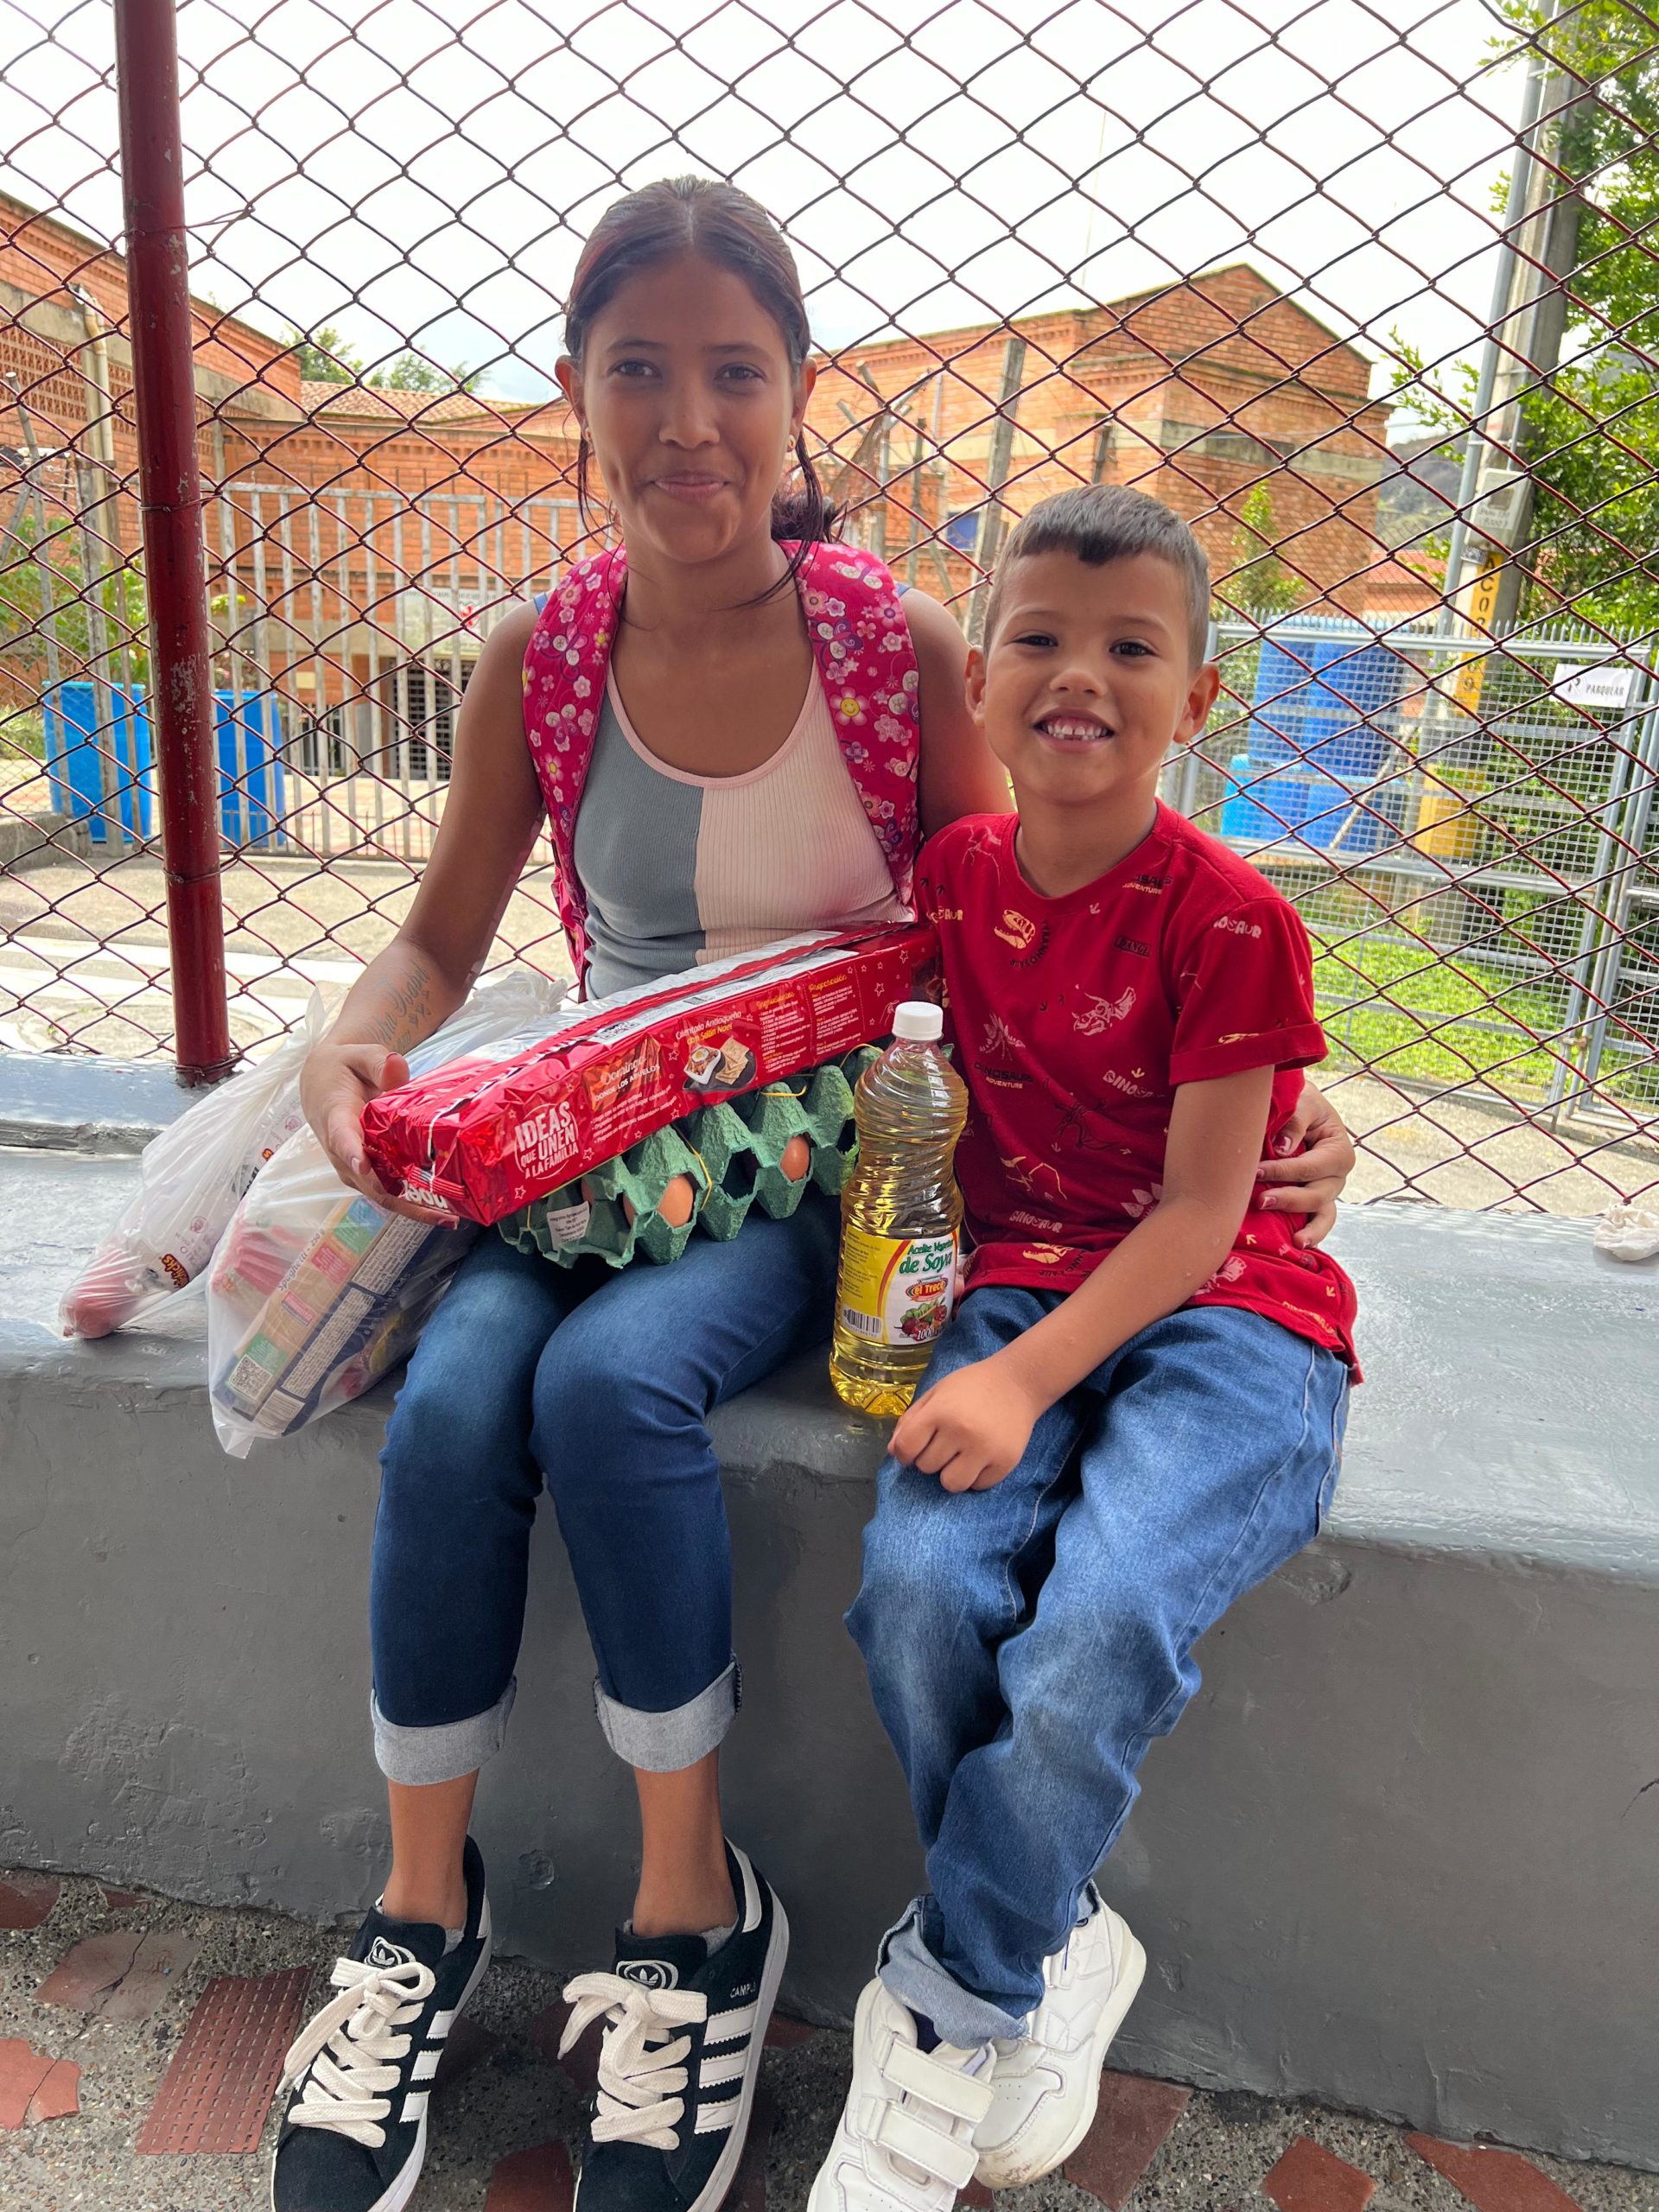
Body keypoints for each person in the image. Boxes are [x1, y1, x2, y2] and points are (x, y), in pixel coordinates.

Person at [273, 180, 1357, 2212]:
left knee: (608, 1397)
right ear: (578, 395)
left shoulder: (898, 643)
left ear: (795, 398)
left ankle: (697, 1919)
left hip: (811, 1164)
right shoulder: (542, 650)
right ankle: (421, 1913)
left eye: (735, 373)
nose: (690, 418)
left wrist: (1280, 1110)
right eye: (641, 372)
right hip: (604, 1160)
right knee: (444, 1402)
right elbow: (435, 944)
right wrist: (356, 1034)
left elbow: (1038, 925)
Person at [808, 485, 1361, 2212]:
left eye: (1134, 646)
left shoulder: (1231, 917)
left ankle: (951, 2007)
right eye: (1039, 636)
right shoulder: (956, 880)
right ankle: (1055, 1918)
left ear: (1198, 698)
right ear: (979, 681)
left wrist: (1021, 1373)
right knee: (917, 1588)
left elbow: (1204, 1218)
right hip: (1012, 1293)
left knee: (1105, 1613)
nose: (1081, 675)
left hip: (1230, 1318)